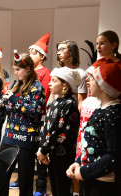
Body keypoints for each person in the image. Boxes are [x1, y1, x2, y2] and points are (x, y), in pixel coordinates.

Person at [66, 60, 121, 196]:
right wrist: (78, 163)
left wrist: (84, 171)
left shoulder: (113, 114)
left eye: (93, 79)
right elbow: (89, 143)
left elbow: (113, 156)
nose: (88, 82)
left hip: (103, 184)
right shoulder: (99, 110)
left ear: (104, 85)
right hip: (90, 177)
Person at [0, 50, 45, 196]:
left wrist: (13, 99)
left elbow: (34, 110)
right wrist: (2, 106)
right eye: (15, 70)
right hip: (10, 135)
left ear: (28, 69)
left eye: (18, 70)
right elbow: (11, 109)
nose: (16, 73)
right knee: (1, 172)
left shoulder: (38, 87)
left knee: (25, 180)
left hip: (27, 138)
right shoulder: (16, 86)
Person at [37, 66, 80, 196]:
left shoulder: (70, 103)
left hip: (63, 155)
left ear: (64, 85)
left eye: (54, 80)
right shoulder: (54, 103)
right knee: (55, 187)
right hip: (51, 153)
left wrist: (45, 150)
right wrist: (42, 149)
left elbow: (61, 132)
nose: (49, 83)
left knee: (62, 188)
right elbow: (46, 128)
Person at [29, 33, 51, 196]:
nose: (30, 55)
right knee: (27, 151)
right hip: (27, 117)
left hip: (39, 117)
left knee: (40, 151)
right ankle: (25, 179)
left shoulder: (46, 73)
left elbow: (43, 95)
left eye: (33, 52)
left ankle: (41, 185)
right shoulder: (28, 72)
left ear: (41, 56)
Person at [56, 40, 87, 111]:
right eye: (58, 50)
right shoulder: (58, 72)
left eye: (62, 49)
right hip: (56, 111)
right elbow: (54, 96)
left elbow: (81, 101)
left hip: (70, 113)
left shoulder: (81, 74)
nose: (58, 53)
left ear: (71, 51)